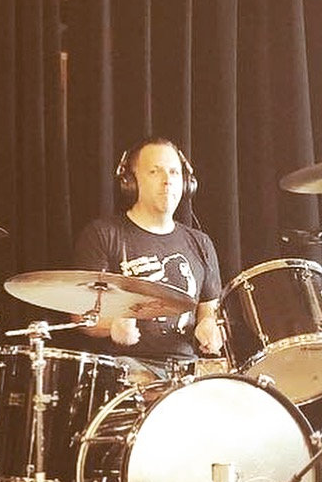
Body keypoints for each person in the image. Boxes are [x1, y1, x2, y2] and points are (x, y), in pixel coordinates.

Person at [73, 137, 223, 361]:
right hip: (128, 368)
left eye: (174, 172)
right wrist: (112, 326)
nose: (167, 181)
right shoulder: (103, 235)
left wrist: (208, 326)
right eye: (155, 172)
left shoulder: (201, 243)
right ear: (131, 183)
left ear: (187, 184)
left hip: (186, 371)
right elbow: (80, 315)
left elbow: (208, 311)